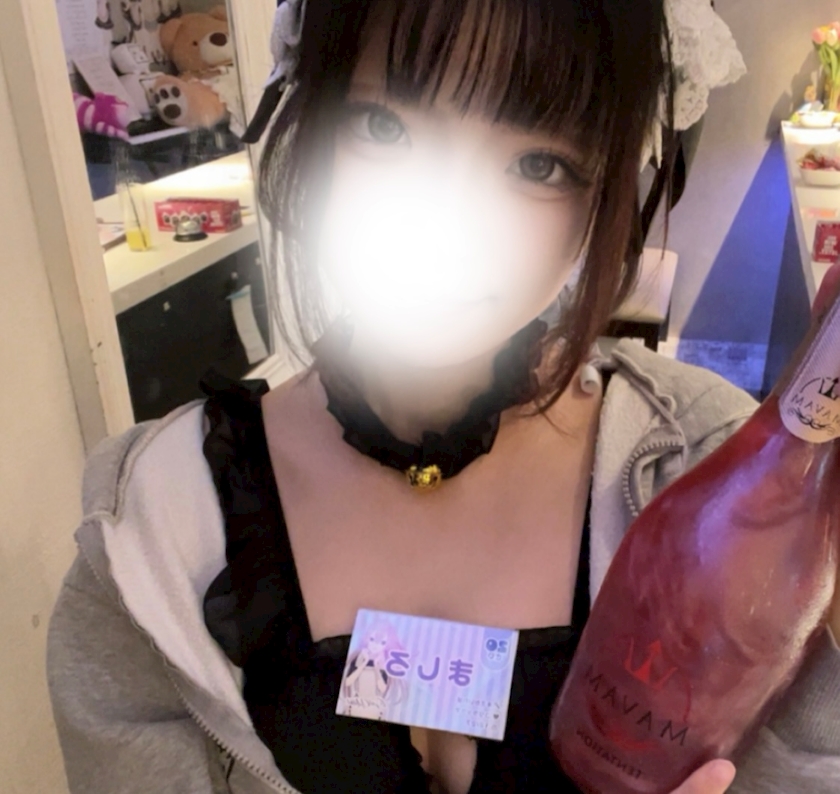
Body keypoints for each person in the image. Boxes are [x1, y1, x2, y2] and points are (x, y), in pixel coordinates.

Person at [47, 1, 840, 793]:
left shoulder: (723, 488)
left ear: (610, 188)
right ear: (305, 116)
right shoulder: (149, 537)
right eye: (383, 126)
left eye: (541, 165)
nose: (451, 219)